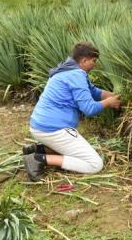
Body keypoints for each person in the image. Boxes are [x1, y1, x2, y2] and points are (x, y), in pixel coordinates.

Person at [24, 42, 121, 181]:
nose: (95, 65)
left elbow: (93, 92)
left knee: (75, 151)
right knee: (95, 164)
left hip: (40, 126)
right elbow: (89, 109)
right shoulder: (77, 75)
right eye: (94, 61)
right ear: (84, 60)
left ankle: (38, 149)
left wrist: (114, 95)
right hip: (54, 129)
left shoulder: (67, 70)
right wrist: (108, 102)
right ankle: (37, 159)